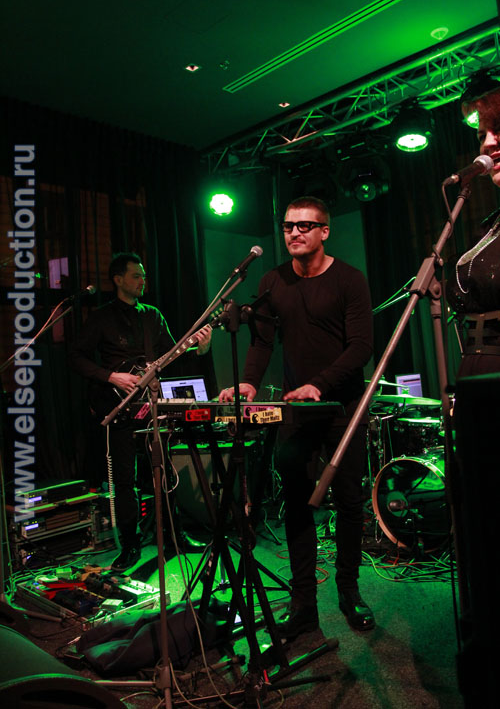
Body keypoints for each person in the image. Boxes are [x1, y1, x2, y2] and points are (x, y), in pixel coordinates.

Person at [219, 196, 375, 636]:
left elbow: (361, 347)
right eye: (288, 225)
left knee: (349, 502)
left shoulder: (349, 280)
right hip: (297, 412)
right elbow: (261, 342)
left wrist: (319, 384)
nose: (294, 232)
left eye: (305, 225)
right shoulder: (273, 281)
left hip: (343, 409)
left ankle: (349, 590)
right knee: (297, 503)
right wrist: (249, 382)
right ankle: (304, 602)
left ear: (325, 231)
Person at [71, 252, 212, 572]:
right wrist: (111, 376)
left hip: (152, 403)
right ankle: (131, 543)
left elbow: (173, 355)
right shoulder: (102, 317)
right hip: (116, 405)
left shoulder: (153, 316)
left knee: (166, 471)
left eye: (144, 276)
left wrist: (199, 348)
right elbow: (76, 357)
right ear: (118, 279)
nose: (142, 281)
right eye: (136, 275)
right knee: (124, 478)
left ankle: (174, 536)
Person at [447, 78, 500, 375]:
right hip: (477, 371)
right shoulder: (490, 226)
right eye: (482, 135)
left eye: (498, 129)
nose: (488, 143)